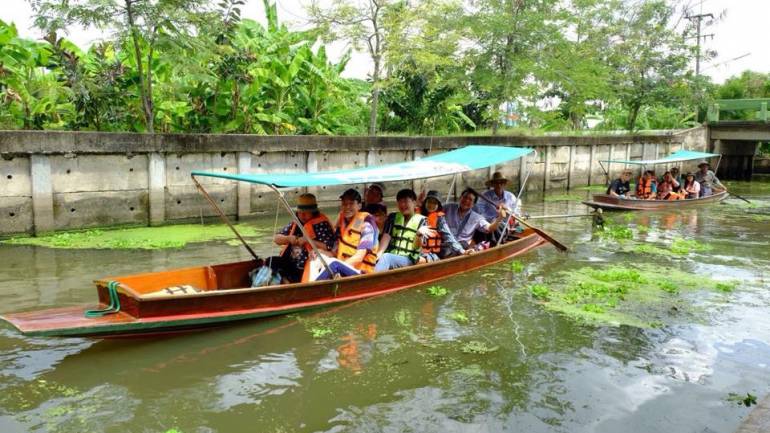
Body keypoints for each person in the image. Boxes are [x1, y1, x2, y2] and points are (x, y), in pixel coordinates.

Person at [313, 189, 380, 281]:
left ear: (359, 205)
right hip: (343, 267)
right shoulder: (342, 224)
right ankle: (306, 284)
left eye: (351, 204)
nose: (347, 207)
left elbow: (359, 257)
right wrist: (319, 252)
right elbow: (334, 253)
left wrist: (340, 265)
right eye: (344, 204)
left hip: (362, 273)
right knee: (316, 258)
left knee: (334, 264)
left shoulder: (366, 224)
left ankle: (309, 289)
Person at [270, 193, 335, 283]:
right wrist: (288, 238)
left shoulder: (322, 224)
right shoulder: (296, 221)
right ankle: (284, 280)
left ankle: (287, 282)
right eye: (300, 212)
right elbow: (276, 238)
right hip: (290, 263)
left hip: (306, 266)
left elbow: (328, 246)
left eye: (306, 212)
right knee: (270, 261)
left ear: (313, 212)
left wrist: (307, 240)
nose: (302, 215)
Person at [374, 189, 431, 271]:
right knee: (379, 256)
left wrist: (418, 234)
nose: (402, 205)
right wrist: (378, 254)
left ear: (414, 203)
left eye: (406, 201)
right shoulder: (393, 217)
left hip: (409, 259)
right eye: (400, 202)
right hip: (393, 256)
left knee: (386, 257)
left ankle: (370, 280)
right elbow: (386, 237)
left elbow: (417, 246)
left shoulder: (423, 221)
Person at [443, 188, 506, 252]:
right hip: (445, 242)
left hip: (462, 246)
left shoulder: (476, 217)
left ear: (473, 204)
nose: (466, 201)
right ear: (460, 198)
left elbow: (489, 228)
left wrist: (500, 218)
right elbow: (435, 210)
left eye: (470, 199)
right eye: (465, 197)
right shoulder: (448, 207)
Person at [418, 190, 465, 262]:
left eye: (434, 203)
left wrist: (461, 251)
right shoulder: (417, 215)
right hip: (417, 249)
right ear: (425, 203)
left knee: (456, 247)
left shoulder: (439, 219)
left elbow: (448, 236)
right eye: (429, 202)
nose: (431, 205)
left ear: (438, 206)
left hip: (432, 253)